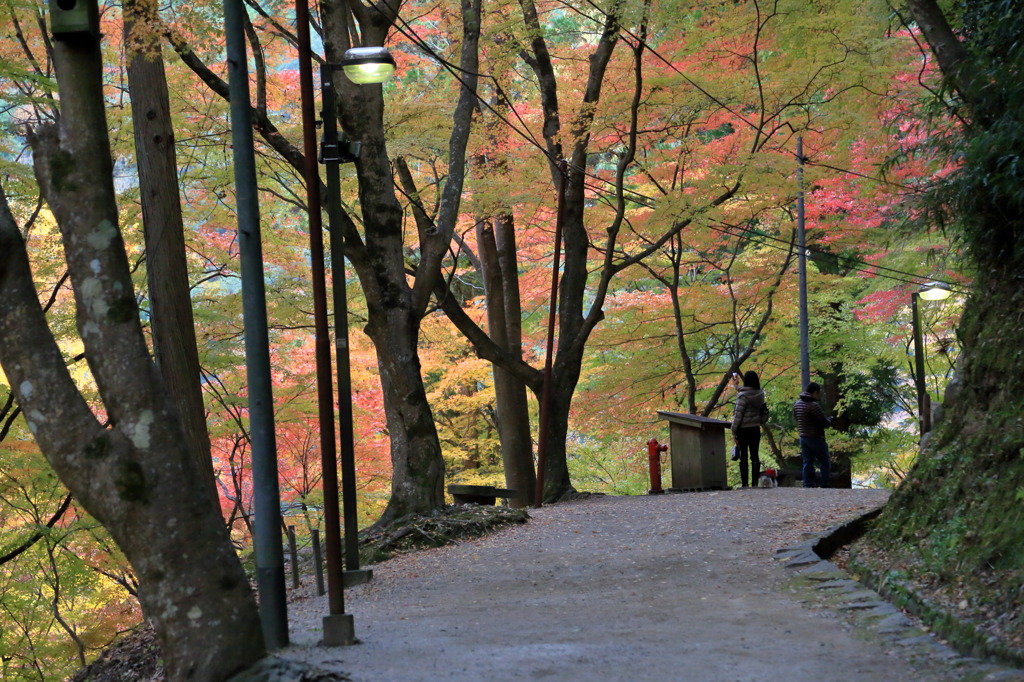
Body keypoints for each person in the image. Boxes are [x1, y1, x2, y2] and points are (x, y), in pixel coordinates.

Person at [730, 370, 766, 488]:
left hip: (743, 430)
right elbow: (763, 414)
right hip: (755, 428)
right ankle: (755, 483)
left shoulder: (742, 397)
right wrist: (736, 386)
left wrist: (733, 431)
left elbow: (738, 416)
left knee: (743, 456)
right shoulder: (760, 395)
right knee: (755, 456)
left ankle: (745, 484)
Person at [793, 381, 833, 488]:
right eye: (818, 393)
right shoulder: (814, 405)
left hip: (803, 437)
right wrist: (830, 420)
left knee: (807, 462)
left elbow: (797, 418)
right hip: (816, 437)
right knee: (824, 461)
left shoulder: (797, 404)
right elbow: (824, 422)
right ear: (815, 392)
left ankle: (807, 484)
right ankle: (824, 483)